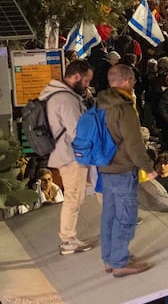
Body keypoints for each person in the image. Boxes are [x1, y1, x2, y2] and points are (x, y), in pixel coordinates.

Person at [98, 62, 157, 275]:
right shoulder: (124, 107)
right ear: (126, 81)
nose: (133, 84)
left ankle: (110, 258)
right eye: (131, 80)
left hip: (105, 166)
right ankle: (121, 262)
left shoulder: (100, 103)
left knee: (109, 214)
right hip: (123, 168)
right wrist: (148, 167)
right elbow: (134, 144)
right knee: (126, 215)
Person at [41, 58, 94, 255]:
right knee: (74, 196)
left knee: (95, 184)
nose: (88, 85)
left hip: (68, 153)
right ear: (77, 77)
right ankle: (68, 240)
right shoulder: (66, 99)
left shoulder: (55, 93)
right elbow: (78, 131)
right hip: (72, 156)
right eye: (87, 80)